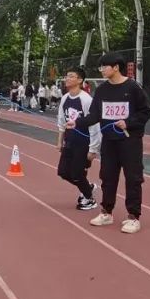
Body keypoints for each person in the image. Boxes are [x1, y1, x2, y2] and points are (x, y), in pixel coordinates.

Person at [67, 53, 150, 234]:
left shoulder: (132, 87)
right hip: (109, 141)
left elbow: (146, 110)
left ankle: (133, 217)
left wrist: (128, 123)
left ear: (116, 67)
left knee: (133, 178)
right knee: (107, 177)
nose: (101, 70)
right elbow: (94, 115)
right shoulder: (102, 90)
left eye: (104, 66)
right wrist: (77, 123)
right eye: (100, 67)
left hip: (130, 141)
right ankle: (106, 212)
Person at [55, 67, 101, 211]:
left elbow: (94, 125)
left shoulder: (86, 99)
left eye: (71, 76)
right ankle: (88, 187)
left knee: (77, 173)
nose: (67, 78)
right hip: (69, 141)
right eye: (66, 76)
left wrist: (93, 149)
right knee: (63, 172)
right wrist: (59, 141)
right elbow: (61, 121)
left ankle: (89, 199)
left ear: (80, 80)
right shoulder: (65, 98)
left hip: (83, 143)